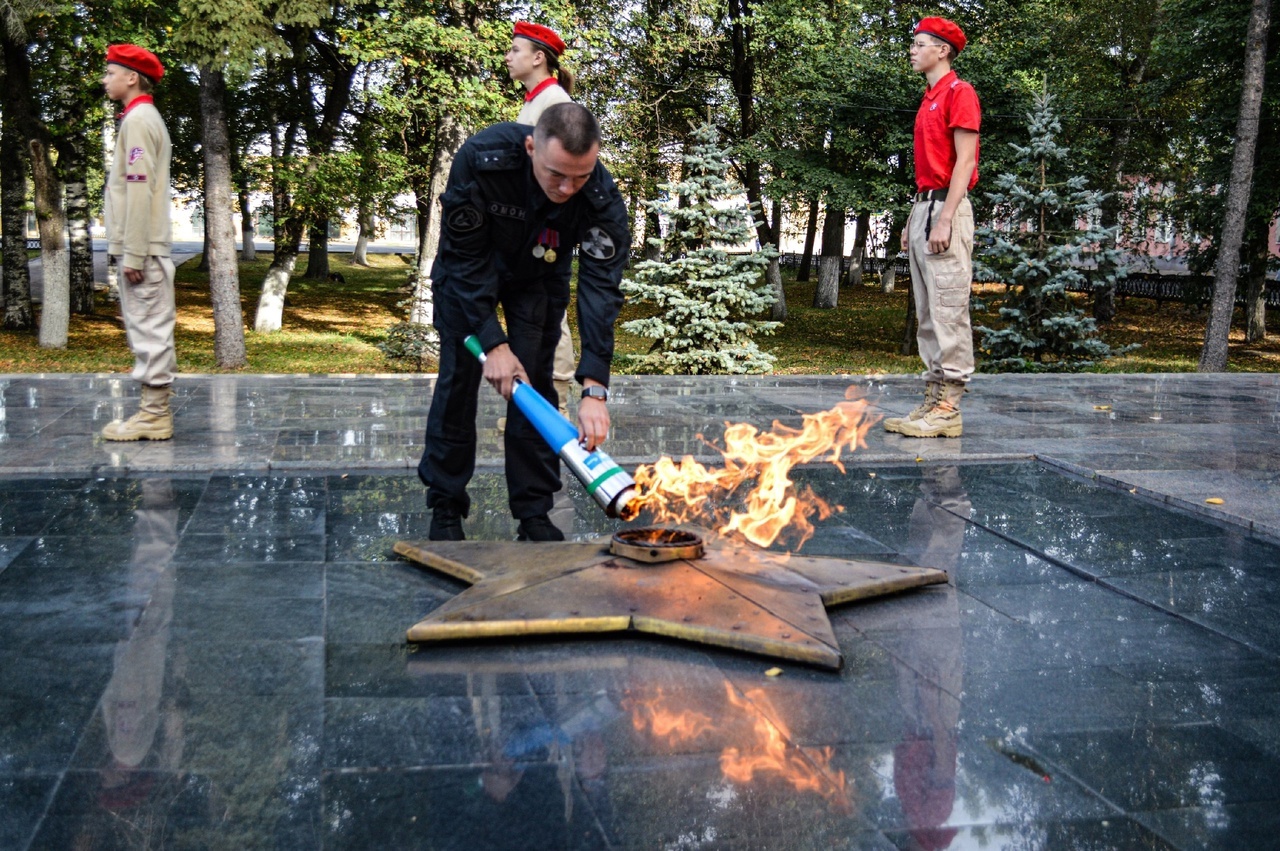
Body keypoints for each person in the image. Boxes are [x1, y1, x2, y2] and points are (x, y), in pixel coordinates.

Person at [417, 103, 629, 542]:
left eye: (581, 176)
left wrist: (595, 386)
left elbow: (600, 289)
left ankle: (534, 512)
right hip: (468, 279)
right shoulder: (481, 159)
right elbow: (463, 260)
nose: (568, 188)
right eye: (556, 174)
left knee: (535, 387)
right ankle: (446, 505)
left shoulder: (600, 196)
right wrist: (492, 343)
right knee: (457, 384)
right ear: (531, 146)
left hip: (537, 278)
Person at [884, 17, 980, 439]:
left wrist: (943, 217)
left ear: (942, 50)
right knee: (927, 314)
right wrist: (913, 219)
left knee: (948, 308)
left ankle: (950, 406)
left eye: (920, 44)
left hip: (948, 209)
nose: (912, 50)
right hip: (925, 207)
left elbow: (966, 162)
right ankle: (932, 399)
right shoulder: (928, 99)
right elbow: (927, 172)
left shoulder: (960, 93)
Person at [100, 44, 178, 442]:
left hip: (143, 249)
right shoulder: (141, 118)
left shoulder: (139, 120)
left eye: (110, 73)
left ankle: (153, 416)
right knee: (148, 327)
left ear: (132, 77)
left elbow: (138, 190)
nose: (105, 79)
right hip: (144, 246)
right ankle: (152, 413)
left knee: (149, 329)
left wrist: (132, 251)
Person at [506, 21, 578, 419]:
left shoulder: (552, 103)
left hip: (545, 227)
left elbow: (562, 170)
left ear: (538, 58)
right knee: (531, 309)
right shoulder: (536, 101)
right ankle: (537, 407)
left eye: (514, 49)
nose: (507, 56)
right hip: (528, 225)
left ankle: (559, 407)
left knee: (550, 311)